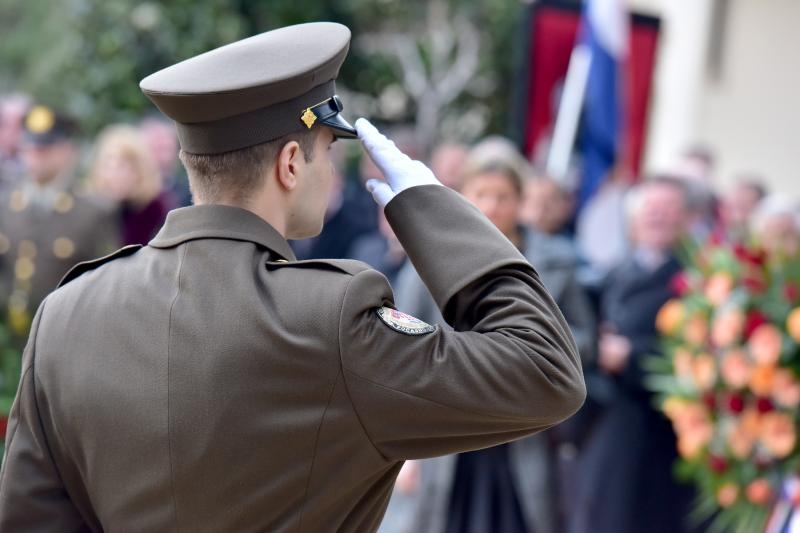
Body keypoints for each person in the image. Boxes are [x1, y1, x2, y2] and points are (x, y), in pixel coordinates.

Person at [0, 22, 585, 532]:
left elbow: (31, 516)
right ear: (289, 164)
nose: (329, 170)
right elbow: (545, 371)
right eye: (326, 150)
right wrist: (435, 211)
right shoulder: (331, 316)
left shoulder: (67, 311)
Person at [397, 155, 594, 533]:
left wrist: (532, 353)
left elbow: (583, 339)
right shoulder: (427, 255)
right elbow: (401, 341)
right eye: (481, 194)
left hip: (525, 428)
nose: (491, 206)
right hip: (451, 430)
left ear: (521, 200)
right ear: (461, 196)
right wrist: (406, 447)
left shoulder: (554, 261)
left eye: (503, 195)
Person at [569, 176, 697, 533]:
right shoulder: (613, 274)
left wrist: (633, 356)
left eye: (668, 210)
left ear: (687, 219)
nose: (658, 218)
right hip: (610, 419)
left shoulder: (700, 282)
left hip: (665, 433)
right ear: (634, 220)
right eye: (651, 210)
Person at [0, 104, 118, 331]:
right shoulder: (5, 207)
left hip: (65, 335)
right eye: (30, 148)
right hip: (9, 340)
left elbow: (107, 286)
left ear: (66, 151)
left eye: (44, 150)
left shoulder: (93, 212)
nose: (35, 157)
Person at [87, 124, 171, 245]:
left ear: (140, 171)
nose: (115, 174)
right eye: (108, 166)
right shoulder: (90, 209)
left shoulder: (155, 212)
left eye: (123, 166)